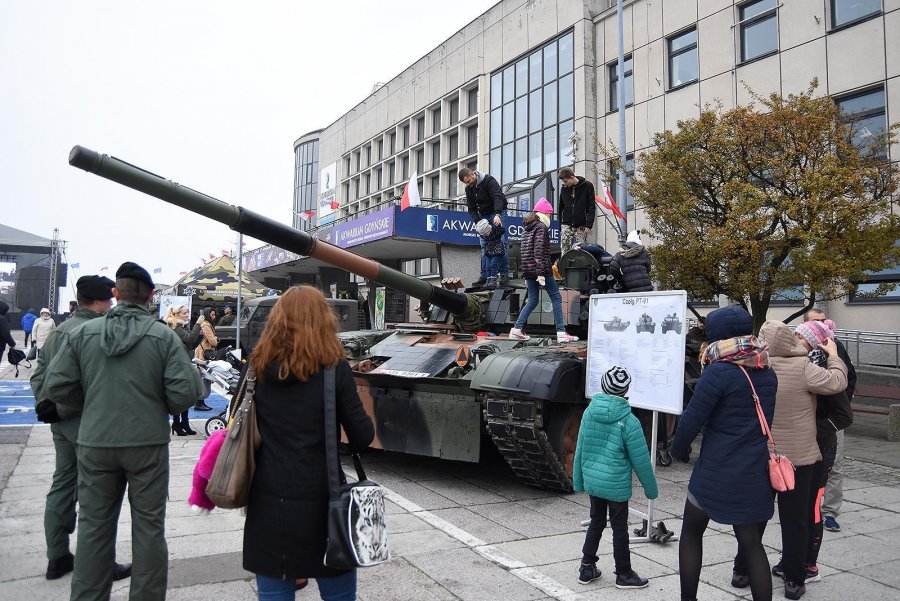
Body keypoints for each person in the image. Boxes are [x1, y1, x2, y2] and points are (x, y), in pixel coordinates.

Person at [39, 262, 204, 601]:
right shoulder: (163, 337)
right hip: (147, 445)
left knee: (93, 529)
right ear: (151, 296)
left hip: (95, 441)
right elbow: (185, 393)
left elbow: (57, 386)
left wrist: (91, 403)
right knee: (149, 530)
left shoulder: (82, 334)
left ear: (115, 294)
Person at [242, 285, 374, 601]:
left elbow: (238, 423)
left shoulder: (256, 366)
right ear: (323, 320)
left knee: (274, 593)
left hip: (268, 499)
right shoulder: (335, 368)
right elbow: (362, 436)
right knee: (338, 594)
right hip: (324, 500)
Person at [670, 305, 778, 601]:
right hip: (755, 470)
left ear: (719, 336)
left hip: (716, 470)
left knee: (692, 533)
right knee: (752, 544)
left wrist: (677, 450)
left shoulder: (717, 372)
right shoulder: (767, 370)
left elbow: (692, 420)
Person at [31, 275, 131, 582]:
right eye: (110, 300)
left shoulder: (61, 330)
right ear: (101, 301)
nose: (113, 305)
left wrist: (46, 406)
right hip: (87, 424)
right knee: (97, 496)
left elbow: (41, 375)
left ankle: (57, 556)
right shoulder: (95, 332)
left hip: (59, 423)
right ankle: (100, 563)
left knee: (62, 484)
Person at [757, 319, 847, 600]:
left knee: (754, 516)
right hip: (799, 458)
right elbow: (837, 382)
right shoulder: (804, 367)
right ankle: (795, 581)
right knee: (796, 519)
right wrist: (834, 357)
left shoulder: (754, 366)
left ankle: (742, 569)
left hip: (762, 455)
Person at [574, 365, 657, 589]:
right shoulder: (630, 422)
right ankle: (624, 574)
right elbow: (641, 460)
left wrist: (578, 480)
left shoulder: (589, 412)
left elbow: (580, 448)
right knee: (620, 529)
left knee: (596, 522)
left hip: (594, 482)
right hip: (616, 485)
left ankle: (586, 566)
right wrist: (651, 490)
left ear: (602, 385)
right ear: (625, 391)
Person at [792, 319, 852, 583]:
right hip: (800, 447)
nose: (795, 340)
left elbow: (843, 416)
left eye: (800, 336)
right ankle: (792, 558)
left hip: (821, 448)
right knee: (795, 508)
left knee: (811, 509)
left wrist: (814, 428)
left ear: (814, 343)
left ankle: (809, 564)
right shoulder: (801, 365)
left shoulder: (826, 369)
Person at [806, 309, 856, 534]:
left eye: (824, 320)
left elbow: (850, 377)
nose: (822, 325)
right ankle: (806, 506)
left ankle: (830, 512)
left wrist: (840, 404)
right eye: (816, 322)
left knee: (835, 467)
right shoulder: (802, 349)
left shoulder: (836, 348)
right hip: (805, 419)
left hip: (830, 420)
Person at [508, 198, 579, 343]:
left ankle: (516, 329)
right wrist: (540, 272)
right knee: (556, 297)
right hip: (541, 269)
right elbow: (539, 250)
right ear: (545, 213)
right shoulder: (540, 227)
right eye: (550, 214)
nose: (551, 217)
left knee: (533, 299)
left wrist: (528, 274)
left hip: (528, 269)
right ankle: (561, 332)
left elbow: (524, 251)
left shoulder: (527, 227)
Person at [460, 167, 509, 287]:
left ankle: (504, 274)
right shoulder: (469, 189)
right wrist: (478, 222)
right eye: (466, 183)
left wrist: (497, 214)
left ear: (473, 174)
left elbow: (498, 197)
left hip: (497, 212)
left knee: (501, 243)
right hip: (483, 215)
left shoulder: (489, 181)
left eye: (469, 180)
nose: (468, 184)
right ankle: (485, 276)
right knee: (484, 246)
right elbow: (471, 208)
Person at [164, 304, 203, 435]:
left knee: (185, 392)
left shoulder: (179, 326)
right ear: (176, 314)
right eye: (185, 313)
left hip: (182, 363)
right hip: (177, 365)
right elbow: (190, 338)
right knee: (180, 393)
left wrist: (200, 335)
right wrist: (198, 325)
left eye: (187, 312)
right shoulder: (175, 327)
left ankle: (183, 422)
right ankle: (177, 422)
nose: (187, 315)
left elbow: (190, 344)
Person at [557, 167, 596, 254]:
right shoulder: (563, 189)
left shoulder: (588, 186)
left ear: (572, 177)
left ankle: (581, 267)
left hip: (581, 224)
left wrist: (589, 224)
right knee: (564, 250)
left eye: (566, 181)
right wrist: (560, 225)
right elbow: (560, 207)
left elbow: (591, 206)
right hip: (566, 224)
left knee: (582, 250)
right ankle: (564, 266)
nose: (565, 184)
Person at [193, 307, 219, 411]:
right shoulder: (206, 325)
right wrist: (216, 339)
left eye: (214, 315)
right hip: (203, 354)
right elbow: (213, 342)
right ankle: (199, 403)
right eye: (212, 315)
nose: (214, 317)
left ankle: (200, 402)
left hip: (204, 352)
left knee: (204, 377)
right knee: (203, 377)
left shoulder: (207, 324)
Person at [481, 220, 506, 288]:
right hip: (489, 252)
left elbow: (502, 230)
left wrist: (498, 225)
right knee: (487, 266)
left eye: (486, 233)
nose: (485, 235)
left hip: (497, 251)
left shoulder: (495, 232)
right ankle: (488, 279)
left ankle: (493, 280)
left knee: (493, 265)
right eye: (484, 234)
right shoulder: (483, 235)